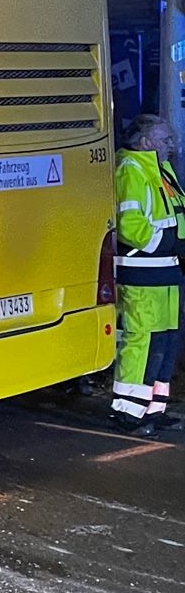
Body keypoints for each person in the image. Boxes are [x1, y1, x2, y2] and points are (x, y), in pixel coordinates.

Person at [111, 113, 184, 435]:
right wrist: (172, 242)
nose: (173, 145)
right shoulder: (131, 170)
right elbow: (131, 225)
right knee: (142, 341)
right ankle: (127, 412)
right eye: (166, 139)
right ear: (145, 142)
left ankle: (153, 410)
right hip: (143, 273)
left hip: (167, 272)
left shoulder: (160, 170)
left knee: (165, 343)